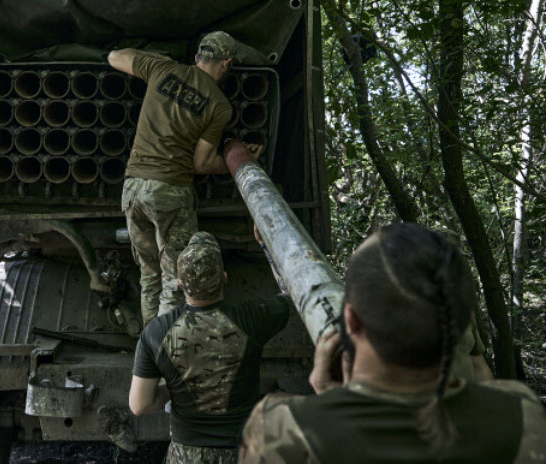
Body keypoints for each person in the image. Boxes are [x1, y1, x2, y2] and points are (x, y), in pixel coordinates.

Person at [239, 223, 545, 463]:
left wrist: (332, 401)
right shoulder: (525, 416)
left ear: (351, 321)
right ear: (463, 324)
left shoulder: (280, 432)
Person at [107, 32, 264, 327]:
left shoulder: (162, 69)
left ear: (197, 58)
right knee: (175, 280)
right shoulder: (218, 105)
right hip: (170, 192)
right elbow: (202, 163)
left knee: (148, 275)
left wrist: (153, 57)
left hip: (133, 189)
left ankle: (148, 352)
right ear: (227, 64)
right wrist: (244, 162)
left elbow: (114, 56)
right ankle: (165, 356)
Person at [128, 231, 291, 463]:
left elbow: (139, 405)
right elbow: (291, 291)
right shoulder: (253, 319)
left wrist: (171, 390)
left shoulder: (156, 333)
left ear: (180, 283)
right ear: (224, 278)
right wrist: (265, 244)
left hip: (186, 455)